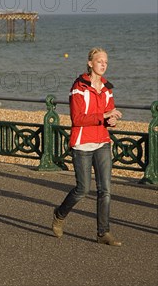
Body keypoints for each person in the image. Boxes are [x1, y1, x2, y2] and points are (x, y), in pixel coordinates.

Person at [52, 47, 122, 246]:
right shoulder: (79, 87)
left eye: (106, 62)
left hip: (102, 143)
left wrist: (112, 120)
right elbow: (78, 118)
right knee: (83, 190)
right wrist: (104, 117)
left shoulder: (107, 88)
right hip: (82, 144)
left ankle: (103, 233)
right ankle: (59, 214)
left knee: (105, 190)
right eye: (99, 61)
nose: (103, 64)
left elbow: (107, 114)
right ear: (90, 63)